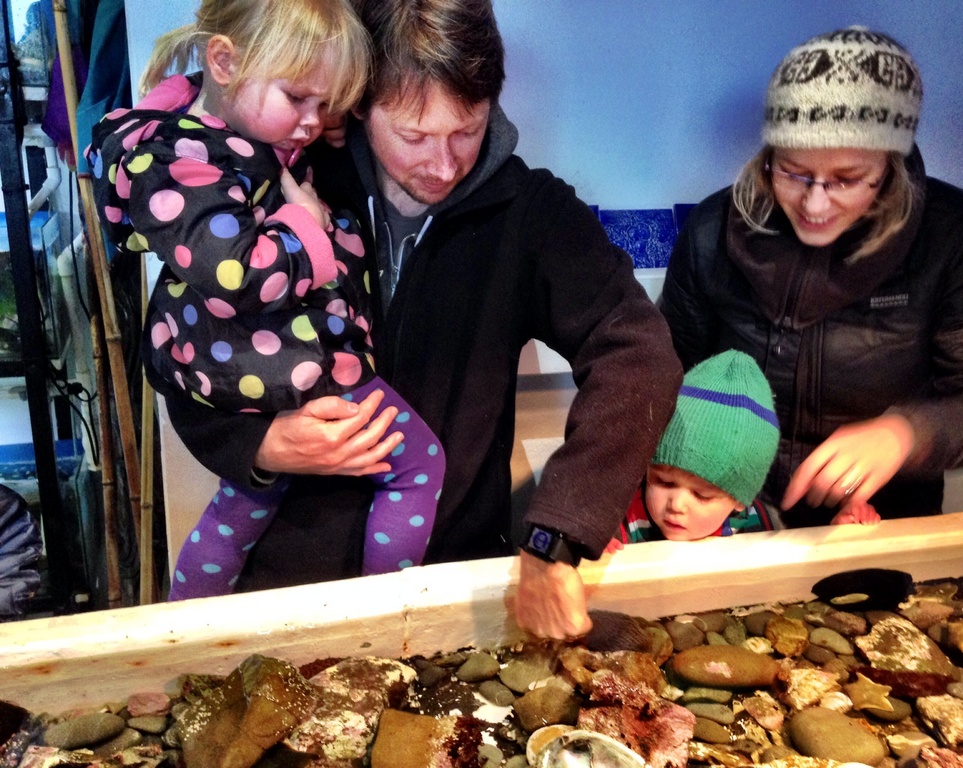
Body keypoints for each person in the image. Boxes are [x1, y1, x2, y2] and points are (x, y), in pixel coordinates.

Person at [159, 0, 682, 637]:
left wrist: (559, 535)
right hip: (287, 581)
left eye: (467, 130)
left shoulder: (532, 214)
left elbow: (638, 354)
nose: (443, 164)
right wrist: (256, 446)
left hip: (451, 581)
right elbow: (186, 342)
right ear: (359, 105)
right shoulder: (276, 181)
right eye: (413, 137)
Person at [86, 0, 445, 599]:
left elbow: (225, 105)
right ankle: (386, 617)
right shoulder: (182, 162)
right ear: (224, 63)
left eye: (325, 104)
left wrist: (314, 112)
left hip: (240, 358)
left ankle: (188, 625)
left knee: (246, 499)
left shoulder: (197, 124)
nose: (312, 122)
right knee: (419, 464)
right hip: (277, 355)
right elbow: (237, 273)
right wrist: (306, 226)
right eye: (298, 98)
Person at [659, 27, 963, 528]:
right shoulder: (711, 229)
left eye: (847, 179)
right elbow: (661, 377)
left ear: (890, 165)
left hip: (879, 522)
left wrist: (906, 432)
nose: (814, 204)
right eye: (792, 171)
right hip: (730, 520)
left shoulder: (952, 234)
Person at [610, 350, 877, 550]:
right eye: (663, 481)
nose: (676, 504)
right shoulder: (621, 519)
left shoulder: (760, 524)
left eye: (702, 495)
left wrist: (840, 537)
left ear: (740, 500)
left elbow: (790, 571)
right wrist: (596, 549)